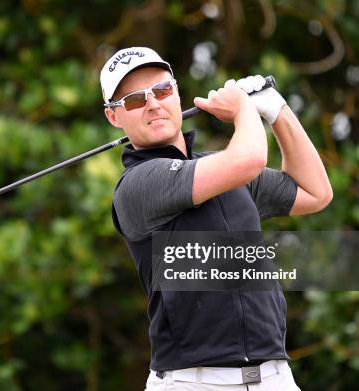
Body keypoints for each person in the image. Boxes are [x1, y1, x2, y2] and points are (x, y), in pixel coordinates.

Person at [100, 47, 332, 390]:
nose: (153, 104)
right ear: (114, 117)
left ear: (176, 94)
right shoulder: (137, 186)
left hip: (274, 378)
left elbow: (315, 192)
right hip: (192, 382)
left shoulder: (222, 170)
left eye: (162, 91)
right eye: (135, 99)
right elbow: (249, 159)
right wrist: (242, 109)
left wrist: (277, 110)